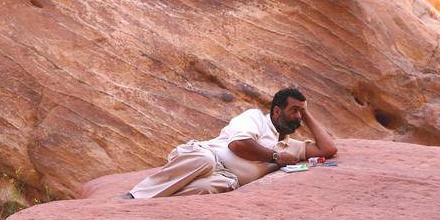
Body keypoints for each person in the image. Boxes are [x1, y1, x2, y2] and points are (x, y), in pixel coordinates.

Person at [122, 88, 337, 199]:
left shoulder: (290, 146)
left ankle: (147, 208)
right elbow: (238, 145)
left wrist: (306, 113)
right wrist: (275, 157)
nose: (298, 117)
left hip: (225, 178)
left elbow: (328, 149)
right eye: (294, 111)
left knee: (207, 189)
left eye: (301, 112)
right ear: (277, 111)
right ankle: (135, 196)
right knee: (203, 160)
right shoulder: (255, 118)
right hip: (205, 156)